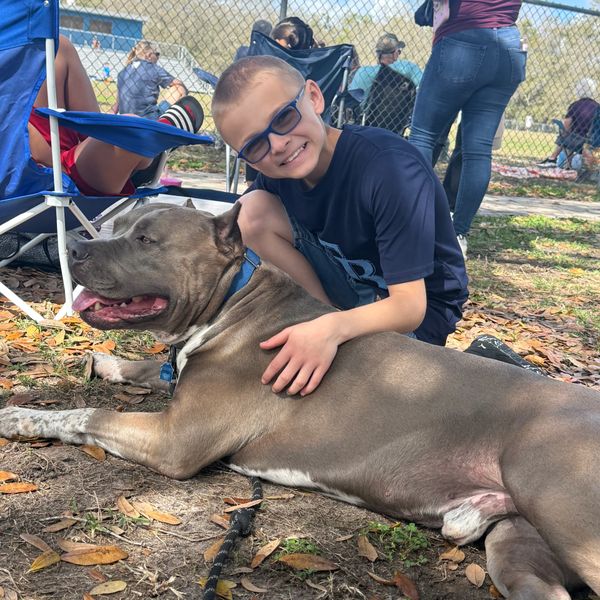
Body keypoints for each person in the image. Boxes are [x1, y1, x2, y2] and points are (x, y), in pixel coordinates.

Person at [211, 56, 468, 396]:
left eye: (284, 117)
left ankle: (474, 366)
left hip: (415, 311)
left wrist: (333, 329)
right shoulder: (279, 174)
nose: (277, 145)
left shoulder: (389, 169)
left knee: (352, 393)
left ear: (314, 97)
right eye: (256, 145)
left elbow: (410, 307)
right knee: (250, 213)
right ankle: (317, 315)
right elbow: (229, 234)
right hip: (348, 290)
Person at [409, 0, 526, 259]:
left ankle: (411, 226)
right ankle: (458, 235)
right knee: (478, 150)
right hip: (509, 45)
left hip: (463, 38)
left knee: (423, 136)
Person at [28, 36, 204, 197]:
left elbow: (93, 124)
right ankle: (148, 149)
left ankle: (138, 154)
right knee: (130, 130)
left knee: (59, 45)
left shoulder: (55, 45)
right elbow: (44, 160)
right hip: (58, 176)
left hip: (75, 157)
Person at [115, 40, 187, 120]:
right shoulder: (154, 69)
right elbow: (178, 84)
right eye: (157, 54)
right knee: (179, 88)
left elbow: (117, 103)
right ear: (149, 55)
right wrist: (185, 93)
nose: (158, 58)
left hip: (125, 118)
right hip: (148, 119)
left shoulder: (122, 72)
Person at [536, 78, 599, 169]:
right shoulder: (597, 106)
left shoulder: (576, 105)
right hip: (593, 142)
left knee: (565, 136)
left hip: (577, 141)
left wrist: (565, 132)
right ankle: (566, 165)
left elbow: (566, 124)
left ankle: (553, 159)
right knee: (569, 137)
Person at [349, 33, 423, 98]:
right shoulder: (408, 67)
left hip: (368, 113)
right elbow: (424, 86)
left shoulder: (362, 72)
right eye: (399, 51)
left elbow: (352, 99)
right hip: (401, 112)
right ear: (395, 53)